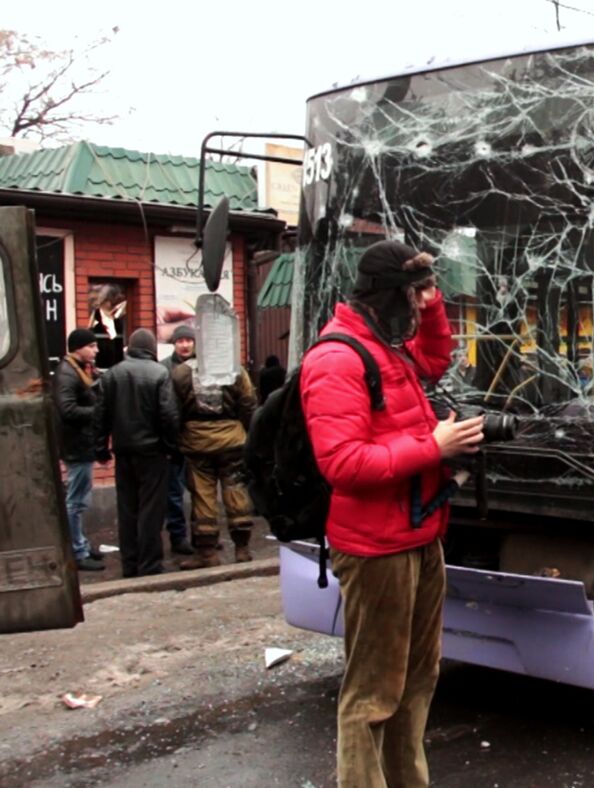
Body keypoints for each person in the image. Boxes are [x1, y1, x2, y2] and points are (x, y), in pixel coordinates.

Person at [300, 240, 485, 787]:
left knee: (416, 682)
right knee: (374, 692)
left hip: (418, 534)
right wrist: (436, 447)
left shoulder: (389, 346)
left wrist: (432, 310)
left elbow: (434, 359)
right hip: (376, 549)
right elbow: (343, 463)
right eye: (417, 295)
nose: (424, 303)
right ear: (387, 296)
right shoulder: (337, 358)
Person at [95, 329, 180, 577]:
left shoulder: (112, 374)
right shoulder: (159, 373)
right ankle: (150, 564)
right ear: (152, 348)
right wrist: (171, 447)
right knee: (151, 510)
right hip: (152, 452)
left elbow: (100, 415)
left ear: (130, 347)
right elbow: (169, 415)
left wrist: (100, 448)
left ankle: (129, 564)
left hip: (123, 450)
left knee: (127, 509)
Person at [169, 350, 259, 568]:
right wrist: (244, 430)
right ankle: (242, 549)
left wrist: (178, 437)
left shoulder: (181, 372)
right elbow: (248, 403)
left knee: (202, 495)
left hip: (197, 442)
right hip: (232, 438)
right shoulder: (235, 369)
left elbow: (173, 410)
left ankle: (207, 553)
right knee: (236, 488)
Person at [55, 329, 107, 572]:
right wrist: (97, 413)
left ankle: (82, 545)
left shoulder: (80, 369)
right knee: (76, 501)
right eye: (92, 346)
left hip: (81, 443)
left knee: (79, 499)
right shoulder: (68, 373)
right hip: (76, 445)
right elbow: (67, 409)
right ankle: (77, 551)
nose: (96, 350)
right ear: (79, 347)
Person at [159, 324, 197, 556]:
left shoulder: (202, 367)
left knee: (201, 491)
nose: (184, 345)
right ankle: (178, 536)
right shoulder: (164, 368)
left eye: (187, 340)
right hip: (174, 440)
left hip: (198, 437)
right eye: (179, 341)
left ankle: (202, 536)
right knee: (174, 493)